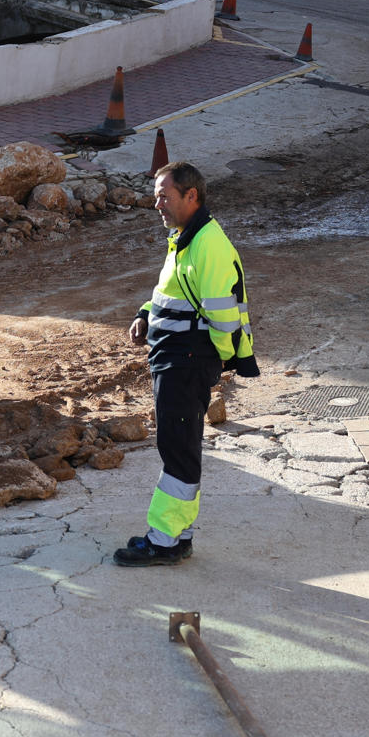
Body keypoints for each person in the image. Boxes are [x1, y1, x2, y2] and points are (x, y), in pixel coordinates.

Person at [118, 161, 258, 566]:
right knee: (179, 446)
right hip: (177, 357)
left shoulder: (207, 244)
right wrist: (147, 314)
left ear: (191, 196)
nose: (156, 203)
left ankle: (163, 541)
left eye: (164, 195)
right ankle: (178, 533)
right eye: (156, 194)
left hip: (187, 360)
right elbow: (173, 288)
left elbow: (223, 315)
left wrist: (217, 360)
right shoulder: (185, 237)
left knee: (177, 449)